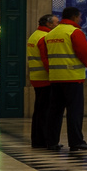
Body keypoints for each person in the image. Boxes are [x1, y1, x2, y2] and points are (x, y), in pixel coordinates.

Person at [42, 6, 87, 151]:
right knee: (74, 111)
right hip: (72, 77)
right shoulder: (74, 32)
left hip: (55, 78)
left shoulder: (51, 34)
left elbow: (45, 56)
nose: (81, 19)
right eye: (80, 17)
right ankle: (76, 141)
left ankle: (52, 142)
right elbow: (84, 52)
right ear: (74, 17)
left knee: (55, 112)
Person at [27, 13, 56, 148]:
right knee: (46, 111)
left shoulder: (34, 35)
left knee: (39, 110)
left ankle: (37, 140)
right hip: (45, 79)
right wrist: (55, 75)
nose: (58, 25)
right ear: (49, 24)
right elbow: (46, 60)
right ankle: (45, 141)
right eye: (56, 23)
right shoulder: (44, 37)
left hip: (36, 77)